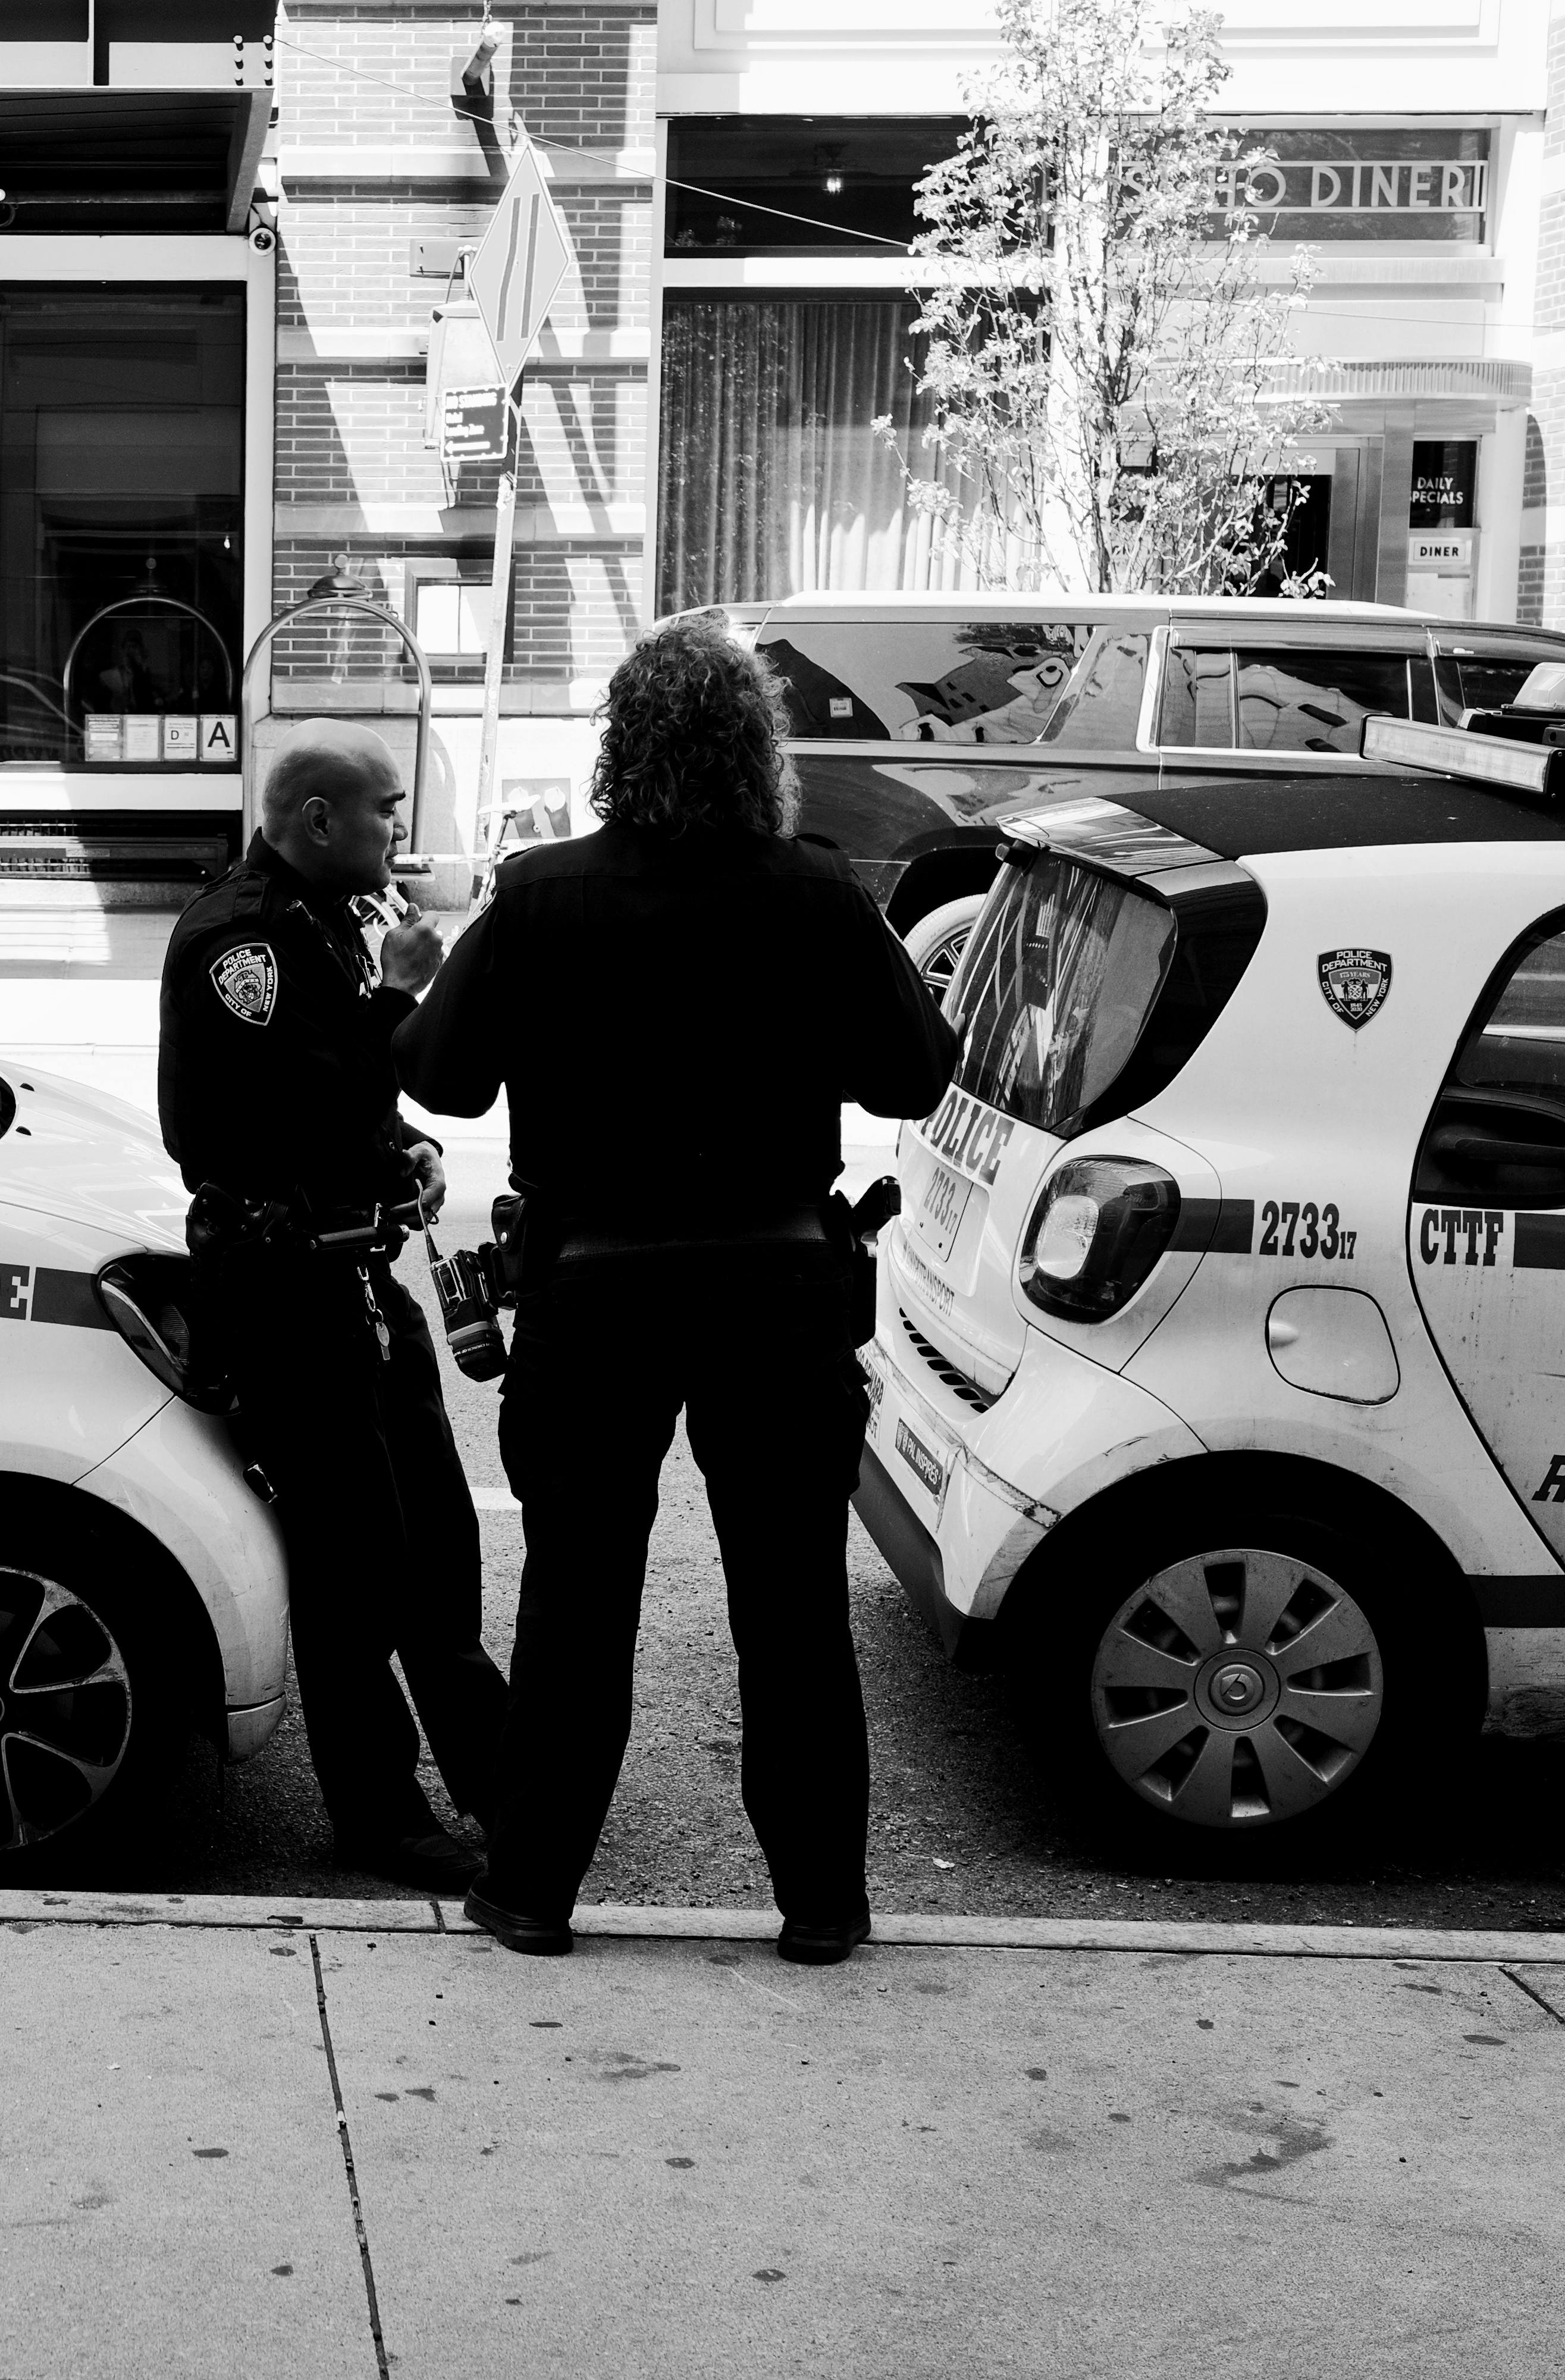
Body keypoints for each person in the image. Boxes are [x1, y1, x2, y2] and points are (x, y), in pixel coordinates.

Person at [391, 616, 955, 1966]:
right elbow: (916, 1078)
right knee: (792, 1608)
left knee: (577, 1602)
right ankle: (821, 1900)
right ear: (758, 751)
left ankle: (531, 1888)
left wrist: (414, 986)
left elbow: (446, 1077)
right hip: (775, 1284)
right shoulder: (815, 894)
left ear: (618, 747)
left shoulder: (538, 895)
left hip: (598, 1289)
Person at [159, 722, 507, 1894]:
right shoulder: (238, 942)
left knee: (437, 1542)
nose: (398, 830)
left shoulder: (323, 922)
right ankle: (378, 1812)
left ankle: (500, 1775)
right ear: (317, 819)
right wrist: (401, 995)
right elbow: (286, 1106)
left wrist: (402, 1150)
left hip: (357, 1275)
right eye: (386, 810)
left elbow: (348, 1108)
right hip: (285, 1294)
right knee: (355, 1564)